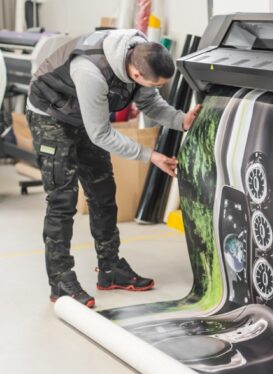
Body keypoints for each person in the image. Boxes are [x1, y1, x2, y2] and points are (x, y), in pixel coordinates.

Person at [26, 29, 200, 308]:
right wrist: (150, 155)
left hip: (84, 117)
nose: (155, 88)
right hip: (51, 116)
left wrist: (182, 120)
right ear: (137, 75)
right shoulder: (90, 72)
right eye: (154, 83)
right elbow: (101, 135)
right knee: (62, 200)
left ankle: (110, 269)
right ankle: (60, 280)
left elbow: (150, 103)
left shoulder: (143, 54)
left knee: (103, 192)